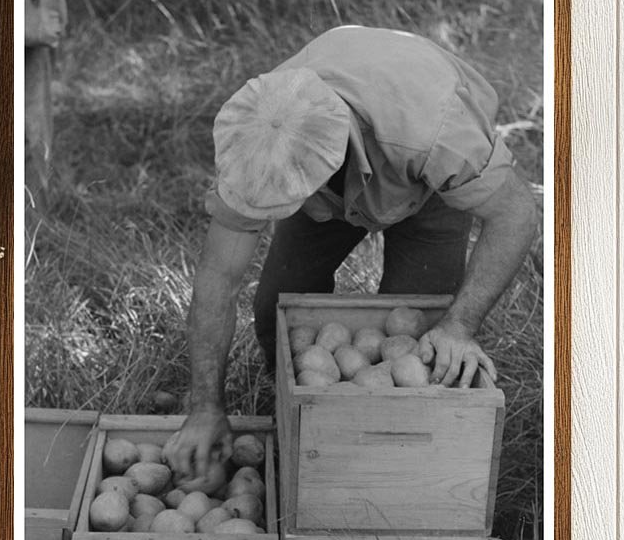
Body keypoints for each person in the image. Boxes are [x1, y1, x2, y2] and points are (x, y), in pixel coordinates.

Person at [164, 25, 537, 481]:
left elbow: (516, 213)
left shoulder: (435, 132)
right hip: (324, 177)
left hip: (424, 180)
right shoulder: (266, 140)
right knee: (277, 309)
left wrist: (461, 324)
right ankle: (304, 430)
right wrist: (205, 405)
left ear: (331, 161)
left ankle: (390, 470)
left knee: (417, 342)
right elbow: (218, 280)